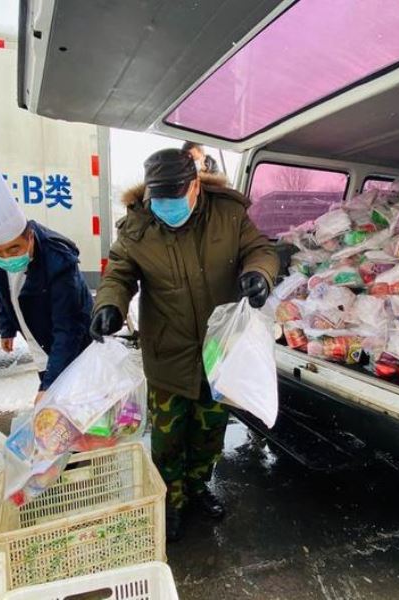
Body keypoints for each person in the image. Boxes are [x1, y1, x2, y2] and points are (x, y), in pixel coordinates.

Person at [90, 149, 278, 542]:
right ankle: (171, 499)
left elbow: (259, 250)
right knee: (167, 438)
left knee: (209, 432)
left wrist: (259, 273)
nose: (165, 208)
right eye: (158, 200)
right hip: (166, 353)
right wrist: (109, 304)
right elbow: (119, 274)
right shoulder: (138, 228)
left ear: (195, 187)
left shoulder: (227, 215)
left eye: (174, 198)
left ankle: (197, 487)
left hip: (217, 353)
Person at [0, 157, 92, 402]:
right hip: (39, 341)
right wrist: (7, 327)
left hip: (74, 346)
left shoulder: (59, 261)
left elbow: (68, 329)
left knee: (77, 402)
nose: (5, 258)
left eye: (14, 249)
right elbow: (2, 293)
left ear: (29, 236)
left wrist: (49, 385)